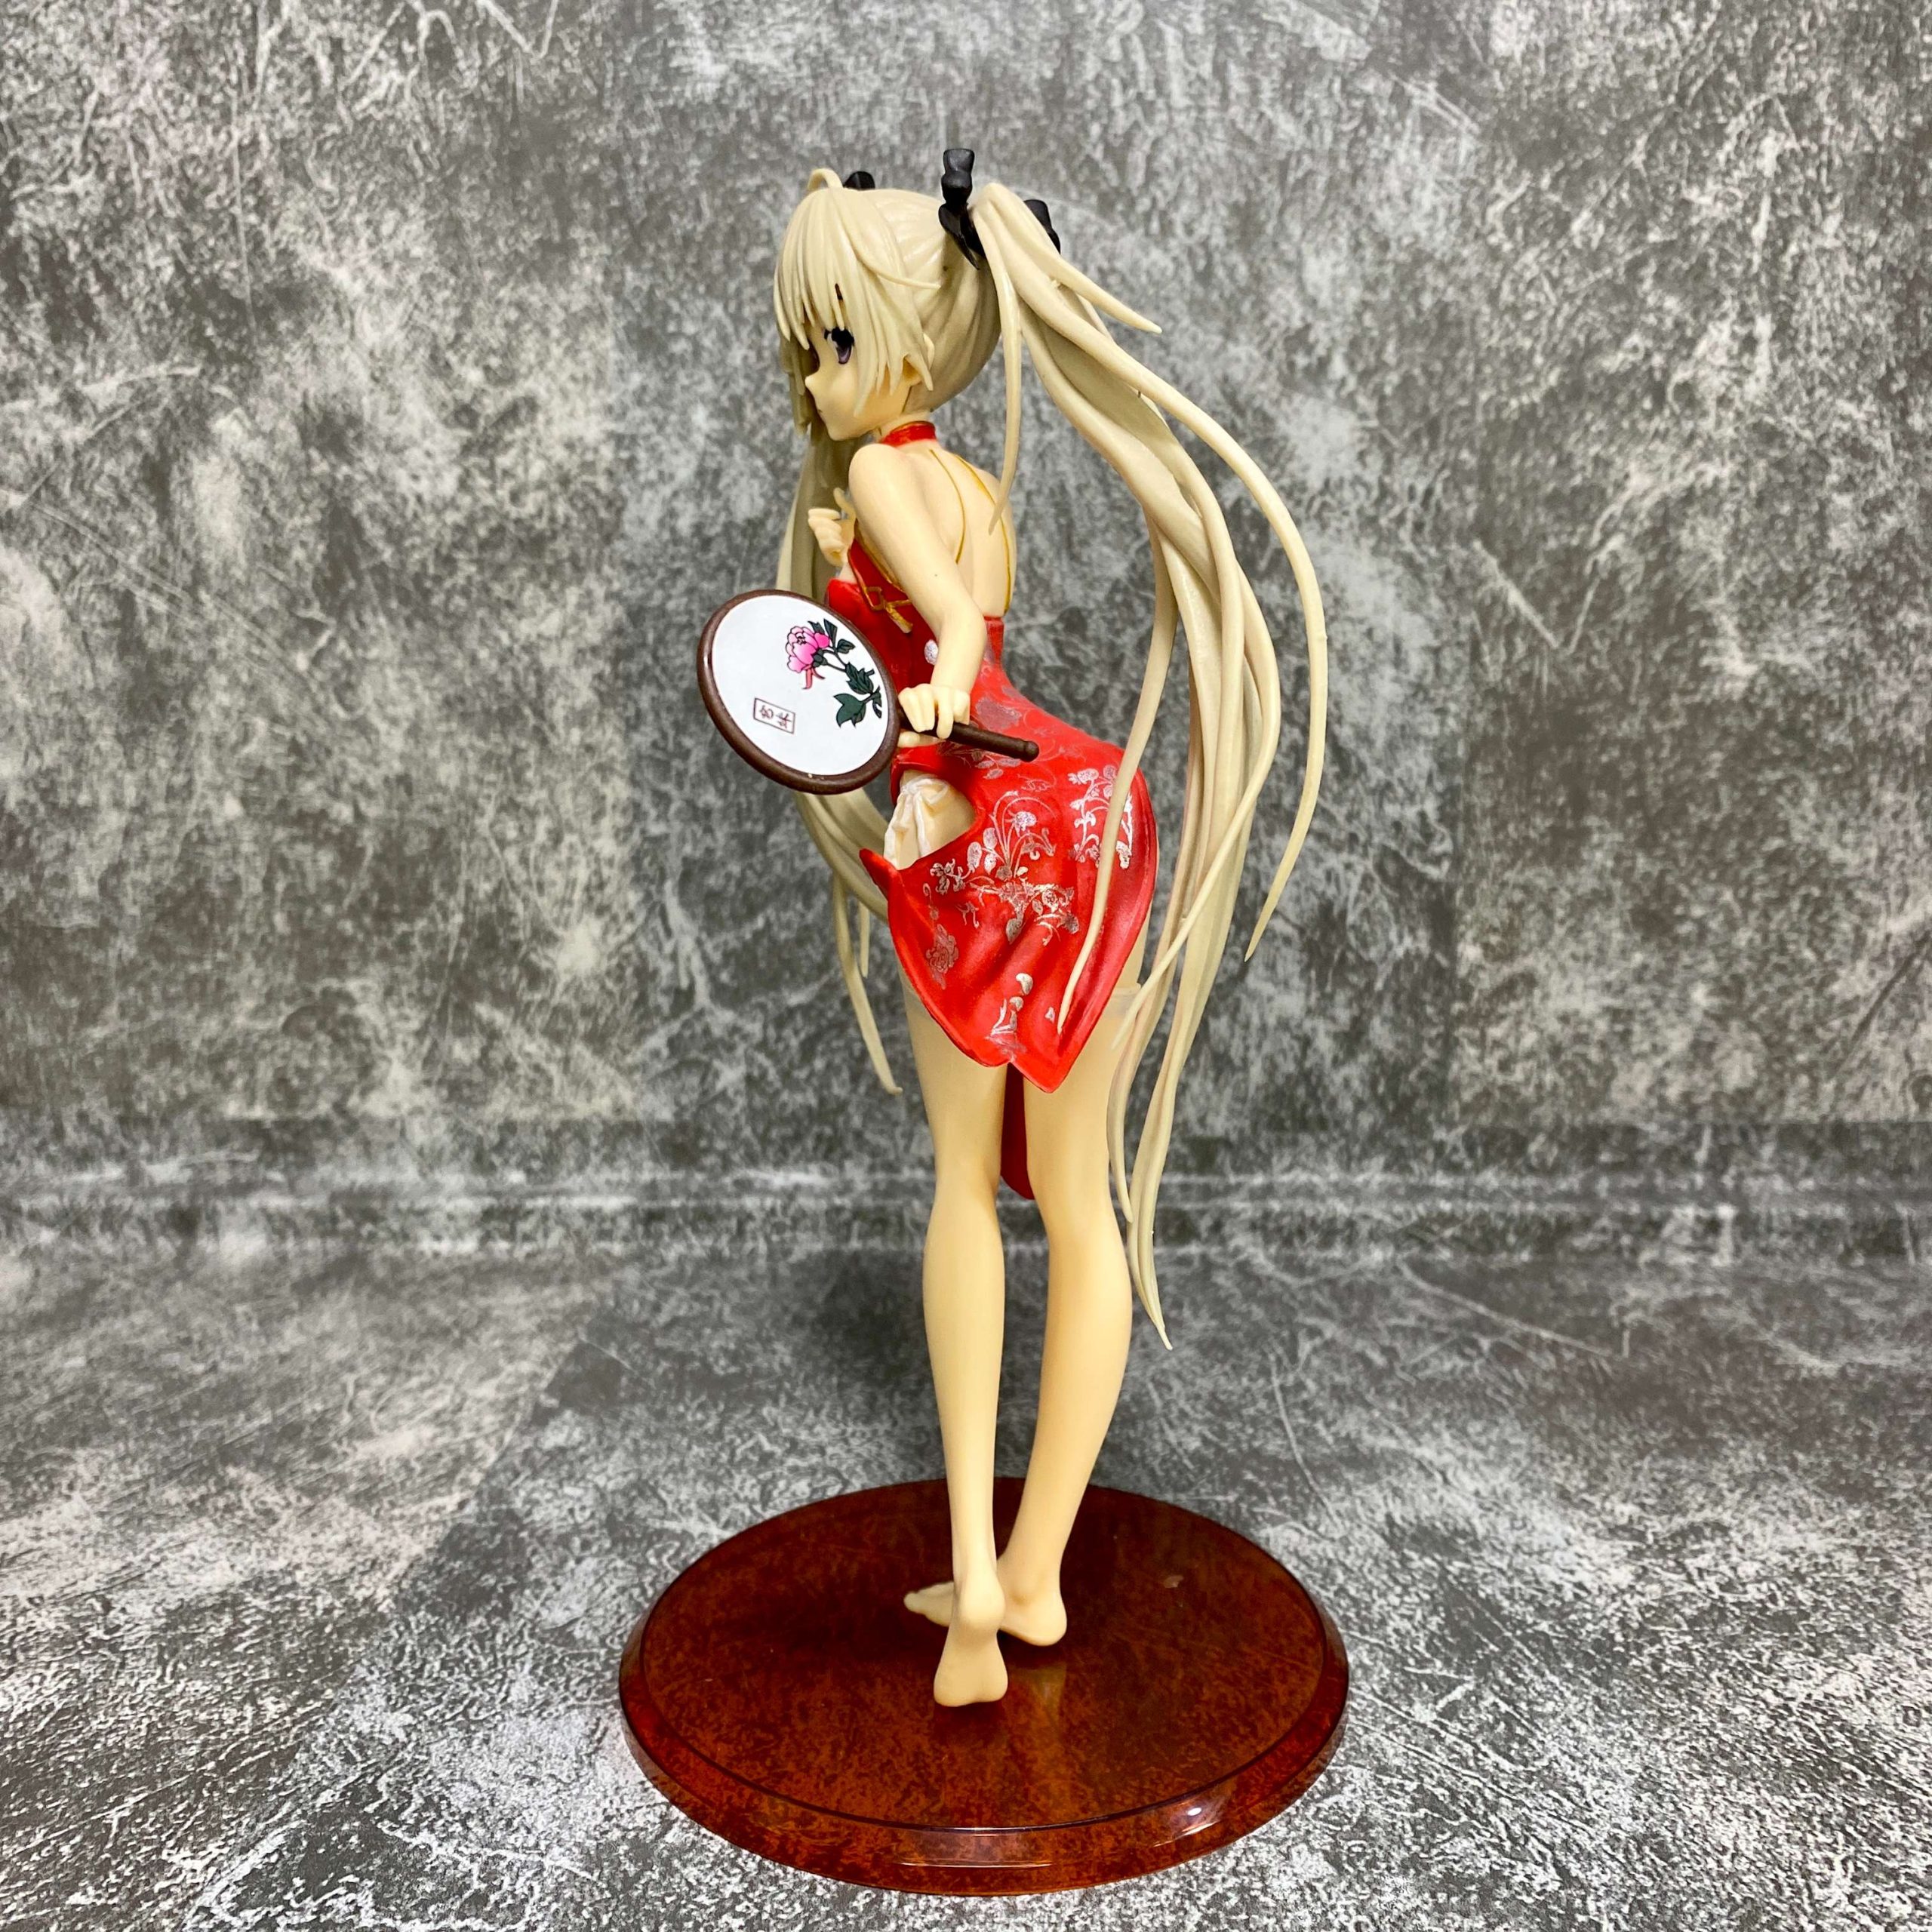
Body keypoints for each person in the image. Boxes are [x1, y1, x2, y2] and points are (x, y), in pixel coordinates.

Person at [771, 153, 1327, 1705]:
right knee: (1081, 1209)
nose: (810, 376)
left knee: (964, 1185)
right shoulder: (973, 486)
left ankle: (974, 1586)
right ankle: (1033, 1575)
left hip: (978, 827)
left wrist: (931, 690)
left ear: (904, 340)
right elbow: (966, 612)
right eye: (804, 346)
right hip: (1085, 813)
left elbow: (955, 638)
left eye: (830, 340)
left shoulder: (892, 476)